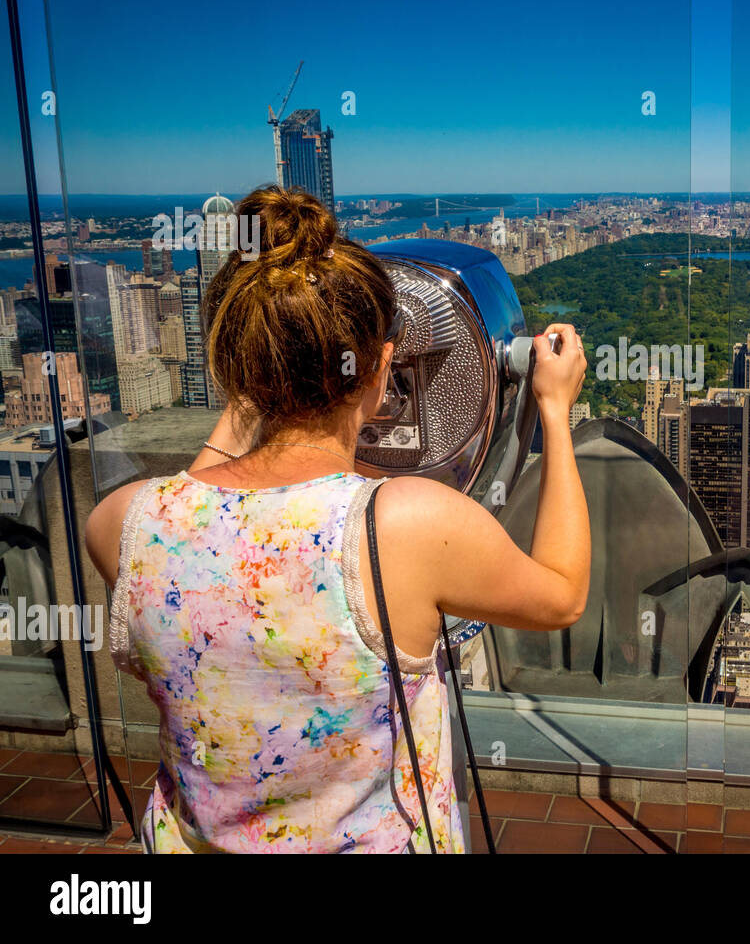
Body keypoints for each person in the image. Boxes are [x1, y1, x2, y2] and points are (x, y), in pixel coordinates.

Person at [83, 185, 590, 853]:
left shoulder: (122, 523)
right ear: (382, 369)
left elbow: (203, 488)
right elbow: (562, 590)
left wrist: (249, 394)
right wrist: (552, 409)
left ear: (237, 368)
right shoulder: (407, 525)